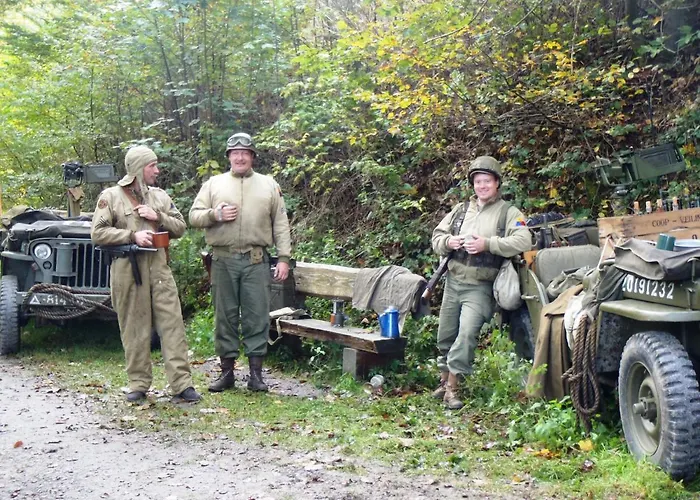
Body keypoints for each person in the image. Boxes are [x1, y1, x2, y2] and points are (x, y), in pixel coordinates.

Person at [91, 145, 201, 403]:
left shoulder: (159, 197)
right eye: (152, 166)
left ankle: (182, 385)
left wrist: (158, 216)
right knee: (134, 328)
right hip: (127, 269)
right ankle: (138, 384)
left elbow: (180, 227)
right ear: (139, 169)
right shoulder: (111, 197)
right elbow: (97, 233)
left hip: (159, 269)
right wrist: (131, 236)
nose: (157, 170)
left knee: (172, 325)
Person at [189, 132, 292, 393]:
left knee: (257, 316)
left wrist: (283, 258)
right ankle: (227, 374)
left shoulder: (269, 185)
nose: (240, 157)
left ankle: (256, 375)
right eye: (235, 153)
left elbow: (281, 224)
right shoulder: (214, 184)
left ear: (252, 157)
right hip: (222, 261)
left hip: (256, 261)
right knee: (225, 316)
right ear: (229, 157)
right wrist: (215, 214)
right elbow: (194, 216)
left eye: (245, 153)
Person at [431, 156, 531, 409]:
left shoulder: (509, 213)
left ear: (497, 183)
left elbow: (524, 241)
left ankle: (453, 388)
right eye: (478, 181)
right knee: (446, 334)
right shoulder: (461, 210)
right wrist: (449, 242)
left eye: (487, 181)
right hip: (453, 281)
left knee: (466, 334)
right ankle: (444, 381)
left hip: (480, 286)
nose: (482, 186)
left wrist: (487, 244)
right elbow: (437, 237)